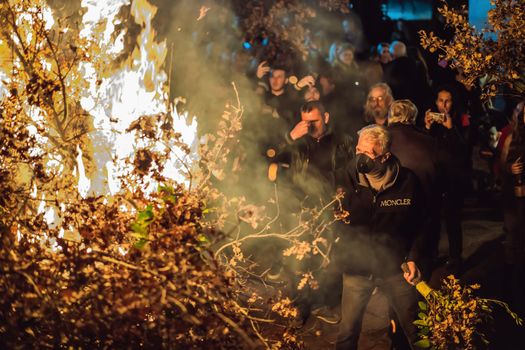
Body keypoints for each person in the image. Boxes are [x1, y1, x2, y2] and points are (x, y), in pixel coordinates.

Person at [334, 124, 426, 349]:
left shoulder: (407, 182)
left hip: (395, 267)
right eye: (358, 151)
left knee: (417, 331)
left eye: (368, 154)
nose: (360, 159)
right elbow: (334, 220)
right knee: (347, 332)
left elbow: (423, 224)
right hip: (357, 268)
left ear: (385, 156)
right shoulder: (345, 178)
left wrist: (414, 256)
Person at [388, 99, 445, 275]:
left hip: (389, 206)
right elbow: (439, 175)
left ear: (391, 116)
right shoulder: (429, 141)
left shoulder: (381, 138)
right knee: (421, 261)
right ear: (413, 117)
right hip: (424, 207)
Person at [424, 85, 470, 273]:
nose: (444, 105)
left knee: (452, 219)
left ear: (453, 102)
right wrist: (427, 127)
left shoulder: (461, 120)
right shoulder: (433, 123)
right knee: (433, 219)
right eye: (440, 100)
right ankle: (433, 255)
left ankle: (455, 259)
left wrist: (451, 129)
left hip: (454, 178)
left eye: (447, 100)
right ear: (435, 102)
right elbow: (424, 148)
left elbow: (464, 150)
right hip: (435, 177)